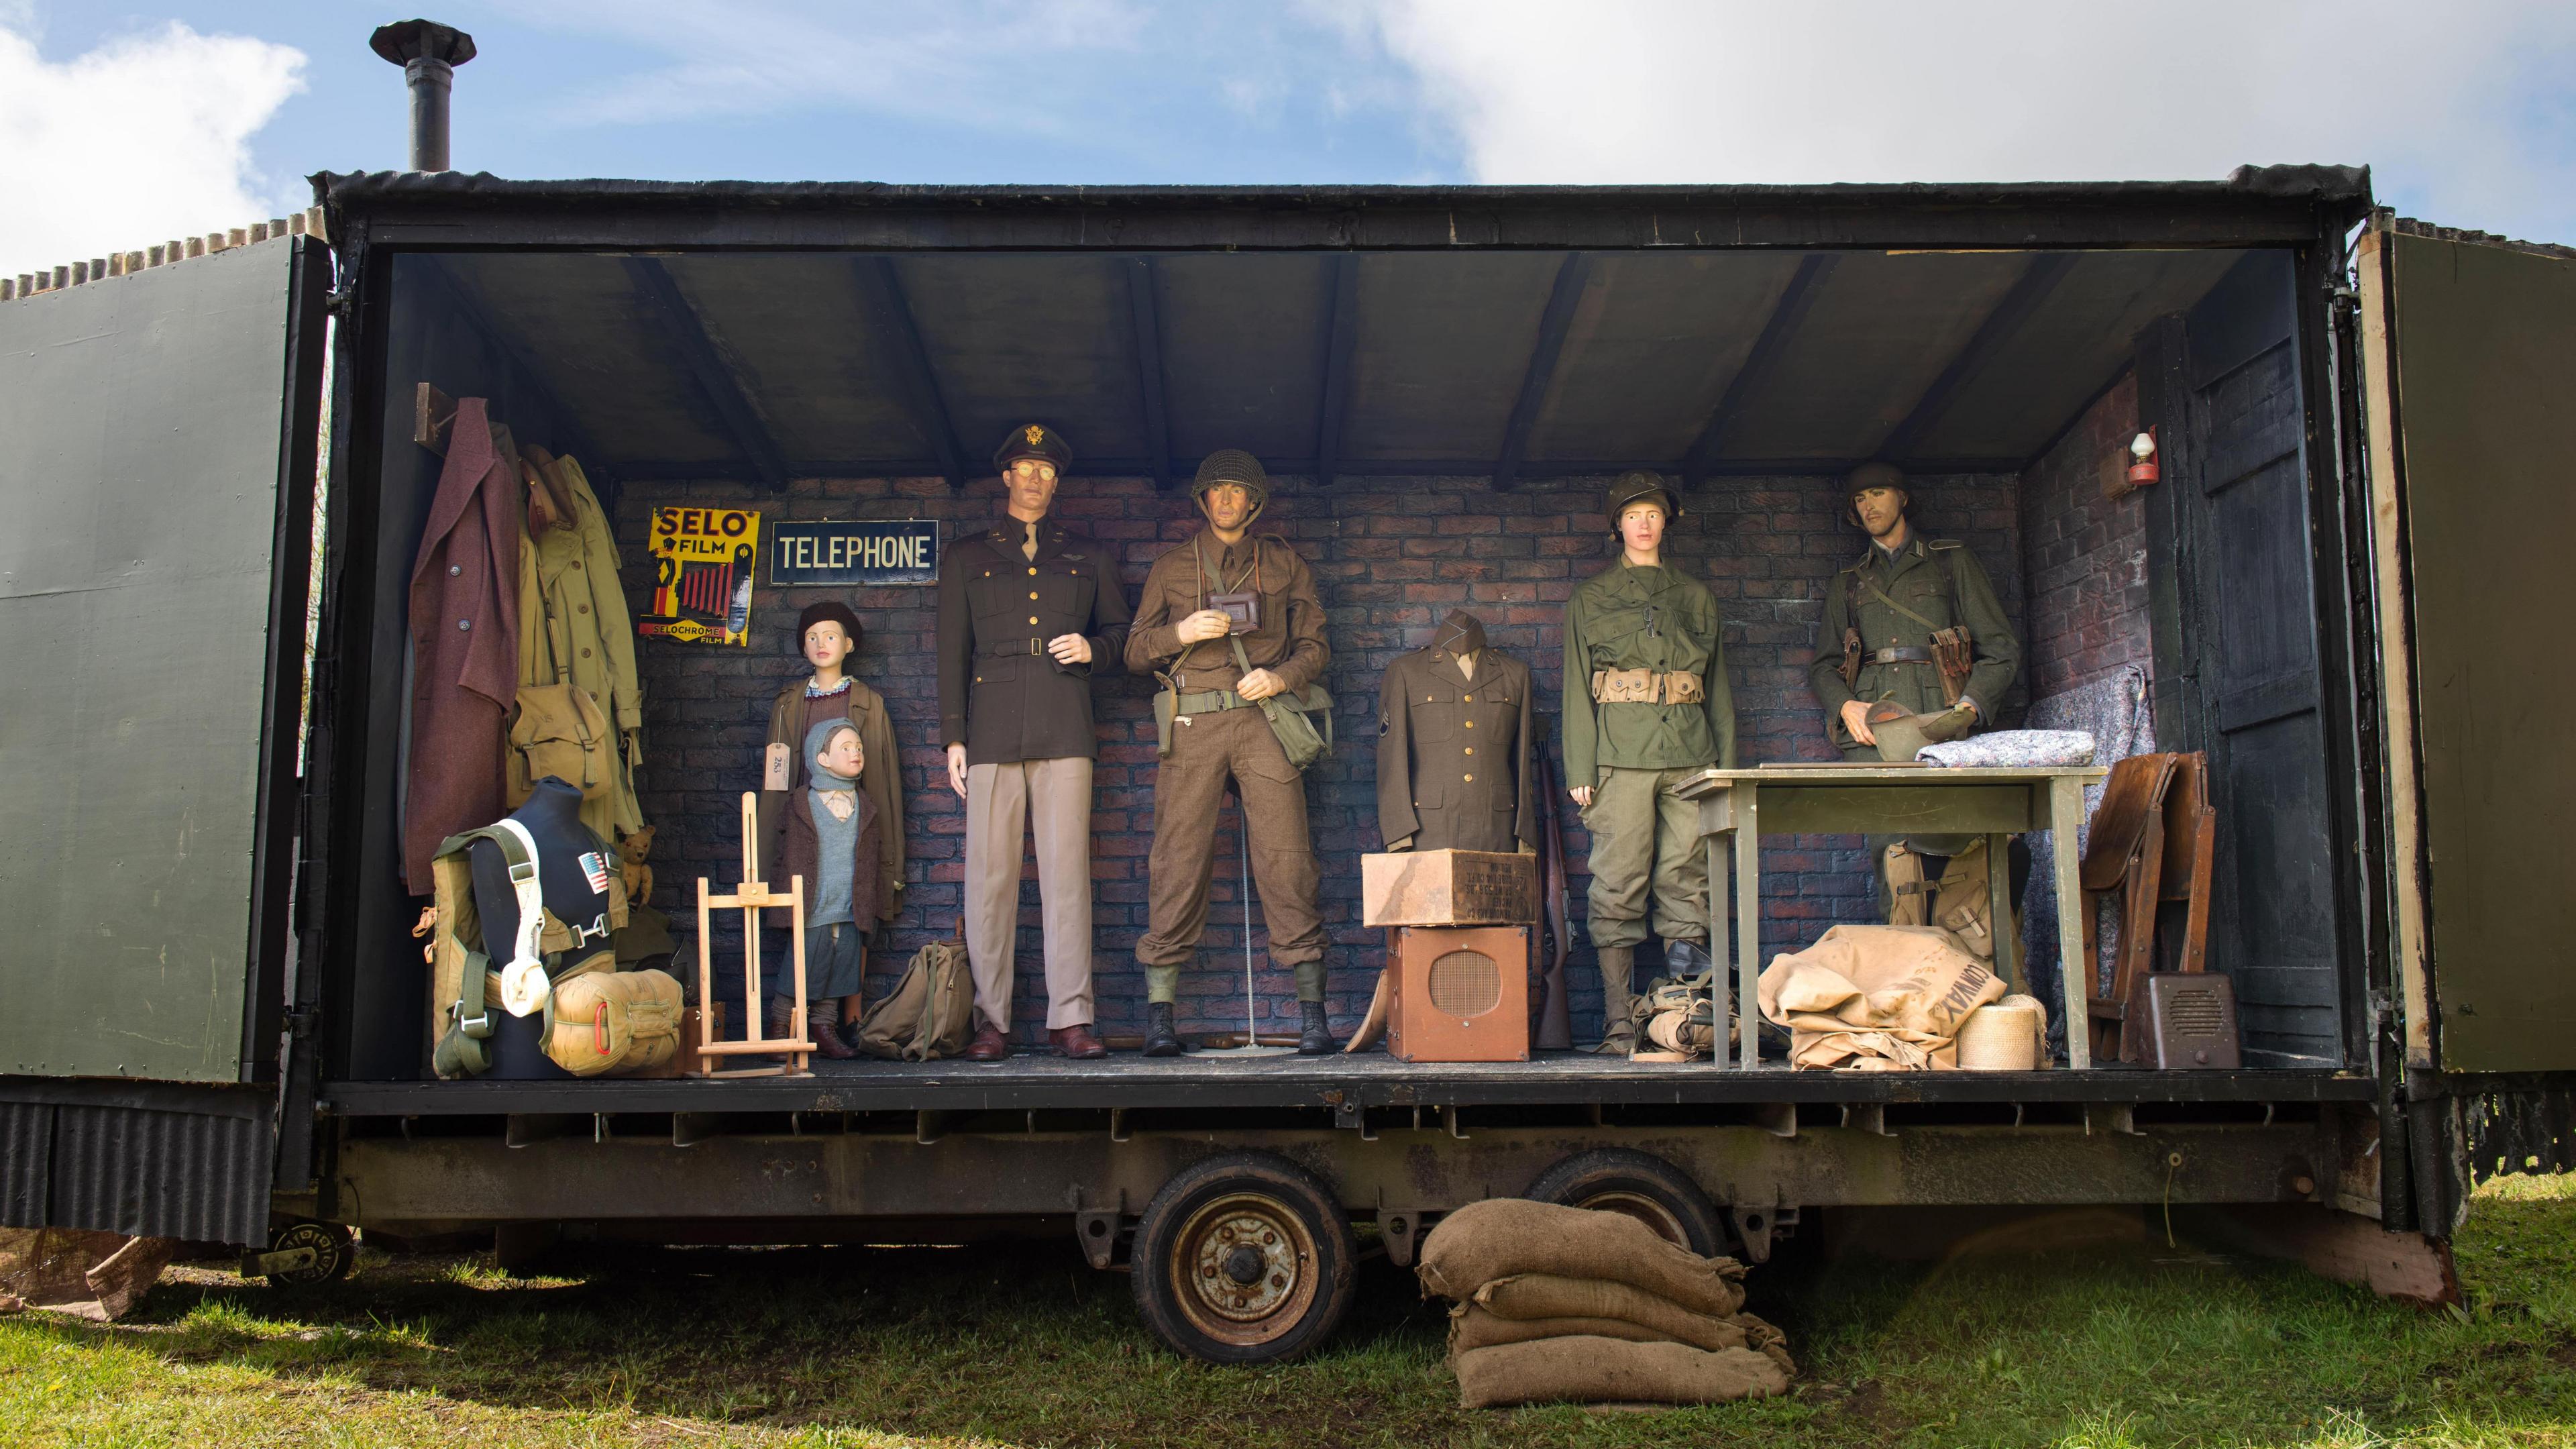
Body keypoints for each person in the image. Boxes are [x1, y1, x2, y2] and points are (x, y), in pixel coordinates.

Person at [1126, 449, 1334, 1056]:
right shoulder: (1171, 568)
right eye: (1216, 490)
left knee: (1288, 858)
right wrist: (1181, 633)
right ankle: (1161, 1014)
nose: (1225, 499)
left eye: (1237, 491)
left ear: (1254, 503)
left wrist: (1280, 679)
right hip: (1193, 724)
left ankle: (1311, 1014)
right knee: (1177, 858)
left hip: (1262, 720)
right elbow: (1136, 652)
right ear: (1201, 500)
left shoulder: (1284, 564)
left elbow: (1316, 648)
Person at [936, 423, 1132, 1062]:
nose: (1035, 480)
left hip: (1065, 724)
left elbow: (1122, 636)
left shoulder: (1087, 554)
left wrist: (1093, 649)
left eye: (1046, 471)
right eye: (1025, 468)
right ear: (1006, 478)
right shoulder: (966, 556)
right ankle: (991, 1021)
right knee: (989, 882)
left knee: (1066, 879)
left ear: (1056, 483)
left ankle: (1070, 1018)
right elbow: (949, 655)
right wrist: (953, 739)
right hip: (990, 731)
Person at [1561, 471, 1735, 1055]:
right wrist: (1581, 769)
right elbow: (1576, 690)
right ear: (1617, 526)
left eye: (1653, 514)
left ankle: (1686, 1011)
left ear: (1666, 523)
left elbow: (1720, 689)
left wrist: (1726, 771)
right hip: (1620, 756)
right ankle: (1618, 1020)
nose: (1643, 523)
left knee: (1688, 882)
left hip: (1690, 755)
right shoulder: (1591, 598)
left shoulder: (1696, 596)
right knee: (1618, 883)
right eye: (1632, 514)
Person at [1806, 462, 2023, 915]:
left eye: (1879, 493)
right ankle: (1903, 961)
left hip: (1940, 721)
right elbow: (1824, 665)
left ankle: (1963, 961)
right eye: (1860, 499)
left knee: (1958, 842)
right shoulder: (1848, 582)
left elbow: (2001, 649)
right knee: (1889, 848)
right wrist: (1845, 706)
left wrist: (1969, 707)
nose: (1869, 505)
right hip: (1875, 731)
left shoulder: (1950, 561)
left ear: (1903, 498)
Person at [758, 601, 902, 1051]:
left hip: (850, 831)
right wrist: (764, 859)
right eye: (812, 637)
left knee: (847, 925)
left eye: (831, 636)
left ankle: (836, 1020)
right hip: (802, 837)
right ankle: (789, 1021)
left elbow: (885, 784)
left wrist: (888, 862)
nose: (822, 645)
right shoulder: (787, 705)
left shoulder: (869, 704)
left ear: (850, 644)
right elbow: (775, 783)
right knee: (809, 928)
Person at [1377, 609, 1538, 856]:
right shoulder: (1407, 672)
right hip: (1429, 830)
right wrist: (1398, 833)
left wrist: (1525, 833)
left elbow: (1523, 760)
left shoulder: (1514, 673)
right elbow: (1392, 760)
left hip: (1496, 829)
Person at [771, 718, 884, 1061]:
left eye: (859, 748)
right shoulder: (801, 804)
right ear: (821, 759)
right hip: (812, 906)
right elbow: (783, 855)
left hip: (849, 905)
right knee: (801, 964)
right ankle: (780, 1028)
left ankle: (824, 1026)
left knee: (841, 966)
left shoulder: (864, 805)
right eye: (845, 749)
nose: (856, 754)